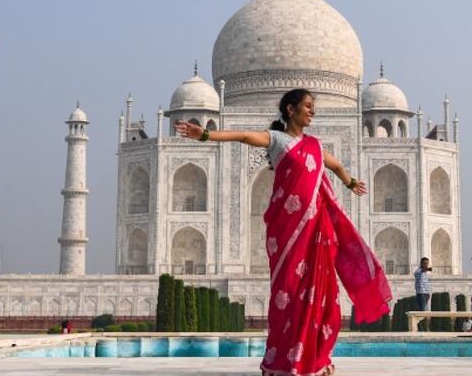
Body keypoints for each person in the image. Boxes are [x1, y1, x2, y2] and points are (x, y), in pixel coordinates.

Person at [176, 88, 392, 376]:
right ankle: (282, 359)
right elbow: (243, 136)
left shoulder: (315, 146)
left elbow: (337, 165)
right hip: (286, 231)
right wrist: (205, 135)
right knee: (287, 291)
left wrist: (350, 182)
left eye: (313, 106)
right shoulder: (277, 140)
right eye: (307, 106)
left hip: (316, 230)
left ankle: (314, 359)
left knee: (321, 292)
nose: (312, 111)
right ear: (290, 109)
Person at [414, 257, 432, 330]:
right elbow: (423, 270)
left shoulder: (425, 273)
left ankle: (422, 327)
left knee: (423, 311)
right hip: (421, 294)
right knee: (422, 312)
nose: (426, 265)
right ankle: (422, 328)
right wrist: (428, 269)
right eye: (424, 263)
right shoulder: (418, 272)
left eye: (427, 263)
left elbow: (426, 284)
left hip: (426, 294)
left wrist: (428, 293)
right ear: (421, 264)